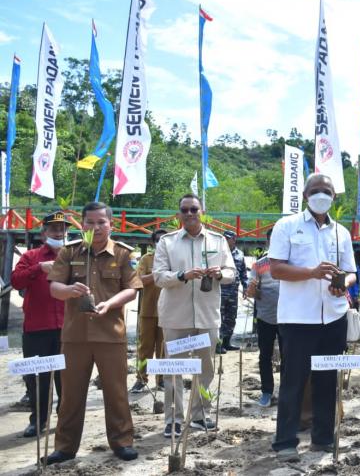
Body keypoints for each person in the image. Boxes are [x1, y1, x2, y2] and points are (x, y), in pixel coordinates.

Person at [269, 173, 357, 462]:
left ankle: (322, 438)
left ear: (334, 196)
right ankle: (285, 442)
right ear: (305, 196)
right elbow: (276, 269)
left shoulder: (341, 232)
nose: (322, 195)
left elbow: (352, 271)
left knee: (327, 379)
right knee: (293, 381)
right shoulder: (287, 226)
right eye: (316, 190)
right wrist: (312, 273)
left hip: (333, 317)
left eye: (327, 191)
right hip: (297, 319)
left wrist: (342, 282)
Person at [46, 202, 142, 463]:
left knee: (116, 392)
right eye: (90, 222)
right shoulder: (70, 252)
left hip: (110, 335)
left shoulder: (123, 254)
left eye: (102, 222)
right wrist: (69, 291)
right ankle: (65, 447)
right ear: (83, 224)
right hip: (75, 335)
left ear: (111, 224)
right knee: (70, 394)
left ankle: (122, 443)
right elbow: (54, 287)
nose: (96, 227)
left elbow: (132, 289)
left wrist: (110, 303)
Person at [153, 194, 235, 438]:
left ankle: (200, 415)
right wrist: (182, 276)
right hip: (175, 317)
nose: (189, 213)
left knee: (206, 368)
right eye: (184, 210)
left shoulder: (218, 240)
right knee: (174, 368)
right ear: (178, 214)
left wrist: (220, 273)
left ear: (202, 211)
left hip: (207, 316)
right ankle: (174, 419)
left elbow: (231, 272)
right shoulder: (167, 242)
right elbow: (158, 277)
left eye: (193, 209)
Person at [11, 211, 68, 438]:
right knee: (37, 379)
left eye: (62, 228)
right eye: (53, 229)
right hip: (36, 328)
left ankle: (64, 418)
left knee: (66, 378)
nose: (58, 232)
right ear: (44, 232)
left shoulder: (73, 254)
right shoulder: (31, 256)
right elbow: (16, 281)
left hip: (67, 328)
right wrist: (39, 268)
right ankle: (38, 420)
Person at [246, 228, 280, 407]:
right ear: (267, 242)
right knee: (265, 355)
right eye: (272, 240)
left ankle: (288, 391)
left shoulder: (292, 262)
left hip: (289, 317)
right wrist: (252, 289)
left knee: (290, 355)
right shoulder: (258, 265)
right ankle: (267, 391)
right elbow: (253, 293)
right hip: (265, 316)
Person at [131, 228, 168, 393]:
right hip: (147, 311)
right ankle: (141, 379)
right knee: (145, 347)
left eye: (163, 239)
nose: (160, 242)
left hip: (168, 312)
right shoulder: (146, 259)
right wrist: (157, 274)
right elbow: (138, 281)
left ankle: (162, 380)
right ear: (153, 243)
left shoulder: (173, 260)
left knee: (164, 348)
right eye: (157, 240)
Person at [218, 230, 249, 353]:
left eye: (228, 238)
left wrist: (246, 287)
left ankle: (227, 342)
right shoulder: (220, 254)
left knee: (231, 317)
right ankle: (218, 345)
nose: (226, 240)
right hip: (220, 291)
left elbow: (243, 274)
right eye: (224, 238)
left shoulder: (239, 255)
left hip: (233, 292)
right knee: (219, 318)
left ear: (234, 239)